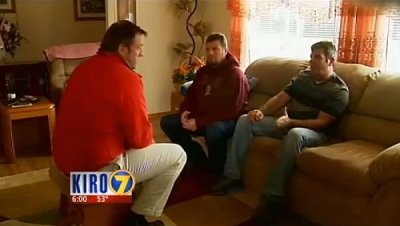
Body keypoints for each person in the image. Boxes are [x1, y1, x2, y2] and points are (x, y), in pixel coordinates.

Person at [52, 20, 186, 226]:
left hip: (63, 166)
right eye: (139, 48)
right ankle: (138, 218)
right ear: (122, 49)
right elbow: (141, 139)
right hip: (92, 180)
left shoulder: (83, 69)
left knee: (129, 151)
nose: (142, 53)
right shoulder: (127, 78)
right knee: (177, 155)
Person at [210, 41, 349, 225]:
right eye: (311, 56)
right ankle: (231, 175)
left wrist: (291, 122)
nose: (311, 61)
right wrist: (261, 111)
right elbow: (280, 98)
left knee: (295, 134)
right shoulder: (303, 76)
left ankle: (272, 197)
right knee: (246, 120)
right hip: (288, 123)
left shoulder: (339, 90)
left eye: (317, 57)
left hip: (316, 134)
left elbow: (322, 123)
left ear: (331, 61)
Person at [160, 33, 249, 176]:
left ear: (225, 51)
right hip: (203, 118)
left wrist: (200, 122)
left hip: (228, 121)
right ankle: (196, 157)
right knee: (168, 122)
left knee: (213, 129)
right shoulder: (203, 72)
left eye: (215, 49)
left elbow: (232, 110)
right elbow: (191, 95)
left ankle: (217, 173)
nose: (210, 53)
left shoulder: (235, 74)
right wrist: (184, 111)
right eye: (208, 49)